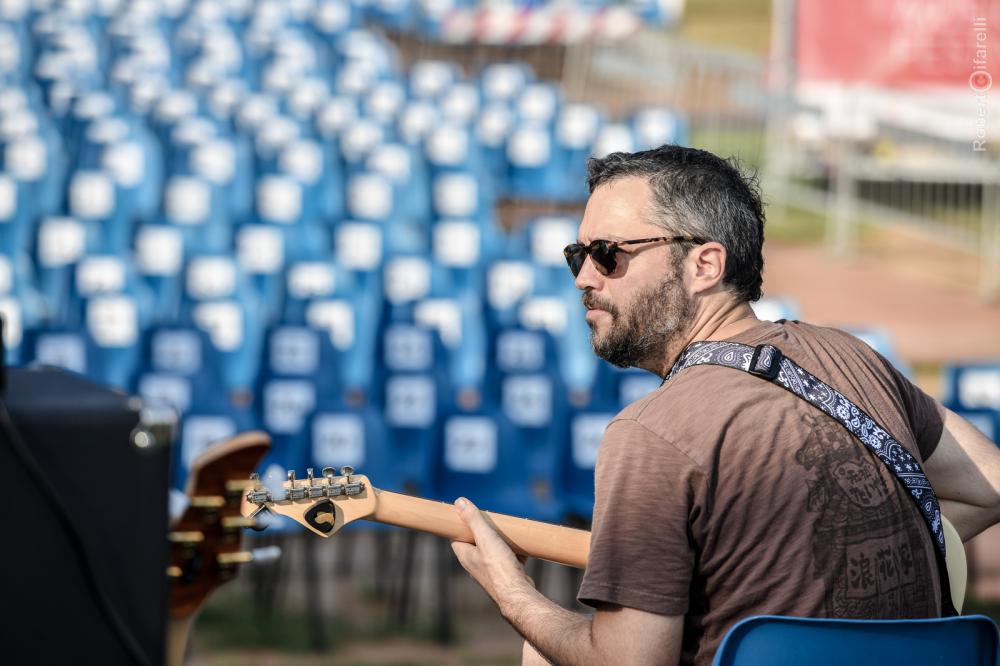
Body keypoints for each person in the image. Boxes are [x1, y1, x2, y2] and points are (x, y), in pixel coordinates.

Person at [449, 145, 1000, 665]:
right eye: (578, 256)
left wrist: (513, 593)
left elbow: (627, 661)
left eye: (607, 254)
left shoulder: (651, 432)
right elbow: (988, 482)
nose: (584, 278)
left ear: (705, 266)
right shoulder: (853, 356)